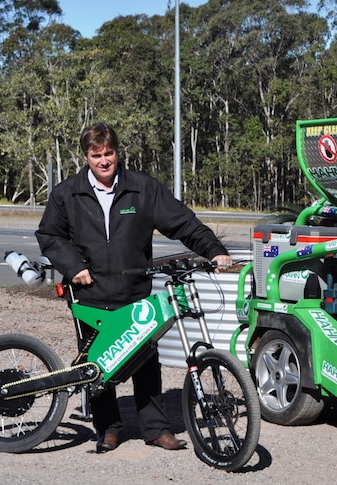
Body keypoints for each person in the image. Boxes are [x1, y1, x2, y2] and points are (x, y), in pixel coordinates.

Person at [36, 122, 232, 453]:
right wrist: (73, 267)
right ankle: (108, 429)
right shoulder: (67, 193)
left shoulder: (143, 189)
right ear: (86, 156)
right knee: (98, 365)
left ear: (117, 152)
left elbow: (182, 222)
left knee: (145, 362)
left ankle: (155, 429)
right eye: (96, 155)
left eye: (108, 153)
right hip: (90, 293)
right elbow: (50, 236)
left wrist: (214, 249)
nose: (103, 161)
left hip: (135, 291)